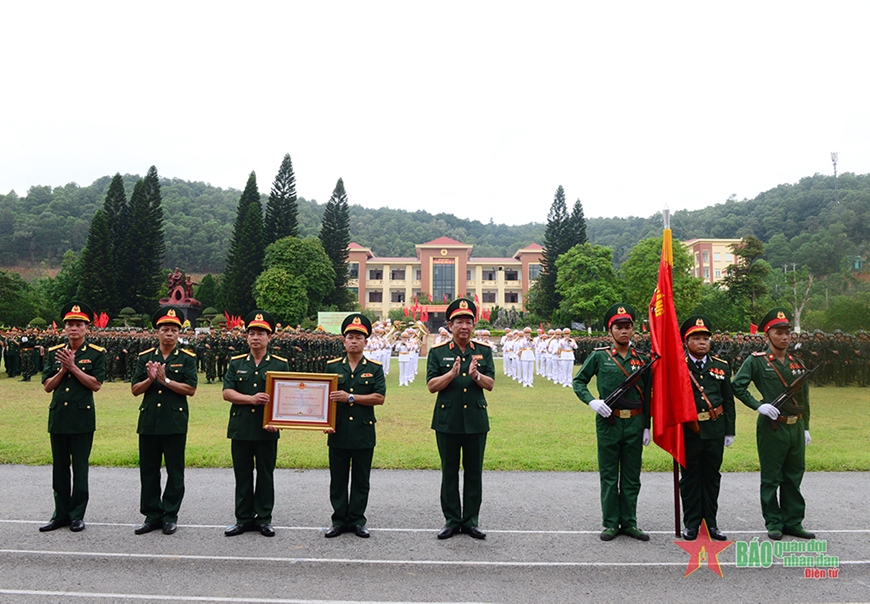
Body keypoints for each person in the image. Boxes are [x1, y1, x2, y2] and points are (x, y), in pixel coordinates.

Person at [732, 308, 814, 541]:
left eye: (788, 332)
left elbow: (804, 400)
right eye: (779, 332)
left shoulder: (797, 363)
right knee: (771, 477)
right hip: (772, 427)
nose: (785, 337)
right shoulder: (756, 362)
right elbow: (737, 385)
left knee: (794, 475)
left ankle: (793, 522)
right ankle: (774, 522)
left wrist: (806, 427)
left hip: (795, 426)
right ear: (767, 336)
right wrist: (759, 405)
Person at [573, 303, 652, 542]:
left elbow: (649, 394)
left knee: (631, 476)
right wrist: (592, 402)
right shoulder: (600, 356)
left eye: (628, 327)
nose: (624, 331)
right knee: (609, 476)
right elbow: (579, 382)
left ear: (633, 330)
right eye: (619, 327)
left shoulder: (643, 359)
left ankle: (629, 522)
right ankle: (610, 523)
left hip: (635, 424)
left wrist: (647, 425)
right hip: (609, 423)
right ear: (611, 330)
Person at [427, 298, 494, 540]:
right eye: (458, 321)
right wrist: (451, 374)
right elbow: (432, 386)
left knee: (474, 473)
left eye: (468, 321)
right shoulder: (438, 352)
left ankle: (471, 521)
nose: (463, 326)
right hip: (447, 421)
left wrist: (476, 376)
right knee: (449, 472)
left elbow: (491, 384)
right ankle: (452, 520)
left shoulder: (484, 351)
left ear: (473, 325)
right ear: (450, 325)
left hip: (475, 421)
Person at [39, 302, 105, 532]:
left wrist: (74, 368)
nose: (73, 328)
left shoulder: (96, 354)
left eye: (79, 324)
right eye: (69, 324)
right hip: (59, 417)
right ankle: (60, 514)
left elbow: (95, 384)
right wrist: (63, 369)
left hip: (81, 418)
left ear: (87, 328)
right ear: (64, 328)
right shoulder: (54, 353)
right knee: (59, 468)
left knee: (80, 468)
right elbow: (48, 386)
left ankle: (77, 514)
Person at [222, 311, 289, 537]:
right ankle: (243, 519)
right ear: (246, 337)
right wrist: (251, 399)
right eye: (251, 333)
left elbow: (286, 398)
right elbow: (227, 393)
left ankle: (264, 518)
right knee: (242, 475)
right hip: (241, 427)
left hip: (267, 428)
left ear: (269, 337)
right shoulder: (236, 363)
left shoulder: (280, 365)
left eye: (261, 333)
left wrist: (277, 421)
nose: (255, 337)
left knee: (265, 475)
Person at [131, 306, 198, 535]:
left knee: (174, 470)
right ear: (156, 332)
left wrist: (166, 380)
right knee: (148, 470)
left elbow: (190, 389)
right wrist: (151, 380)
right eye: (164, 329)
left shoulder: (187, 358)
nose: (169, 333)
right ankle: (152, 515)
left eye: (173, 329)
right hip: (149, 421)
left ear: (179, 333)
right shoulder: (145, 358)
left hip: (174, 422)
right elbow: (135, 390)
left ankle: (170, 515)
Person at [323, 313, 386, 538]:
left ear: (366, 342)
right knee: (338, 479)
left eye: (359, 337)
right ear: (343, 340)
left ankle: (358, 520)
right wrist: (323, 420)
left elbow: (379, 397)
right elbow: (323, 399)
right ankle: (339, 520)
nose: (354, 340)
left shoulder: (375, 368)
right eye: (350, 336)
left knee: (361, 479)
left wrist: (351, 397)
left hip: (363, 430)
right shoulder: (331, 367)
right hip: (337, 429)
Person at [678, 315, 735, 541]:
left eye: (705, 338)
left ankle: (710, 523)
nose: (702, 342)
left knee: (712, 477)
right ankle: (691, 523)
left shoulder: (721, 366)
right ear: (686, 341)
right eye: (697, 338)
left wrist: (729, 430)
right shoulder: (678, 366)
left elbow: (728, 400)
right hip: (689, 431)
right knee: (690, 478)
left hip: (714, 429)